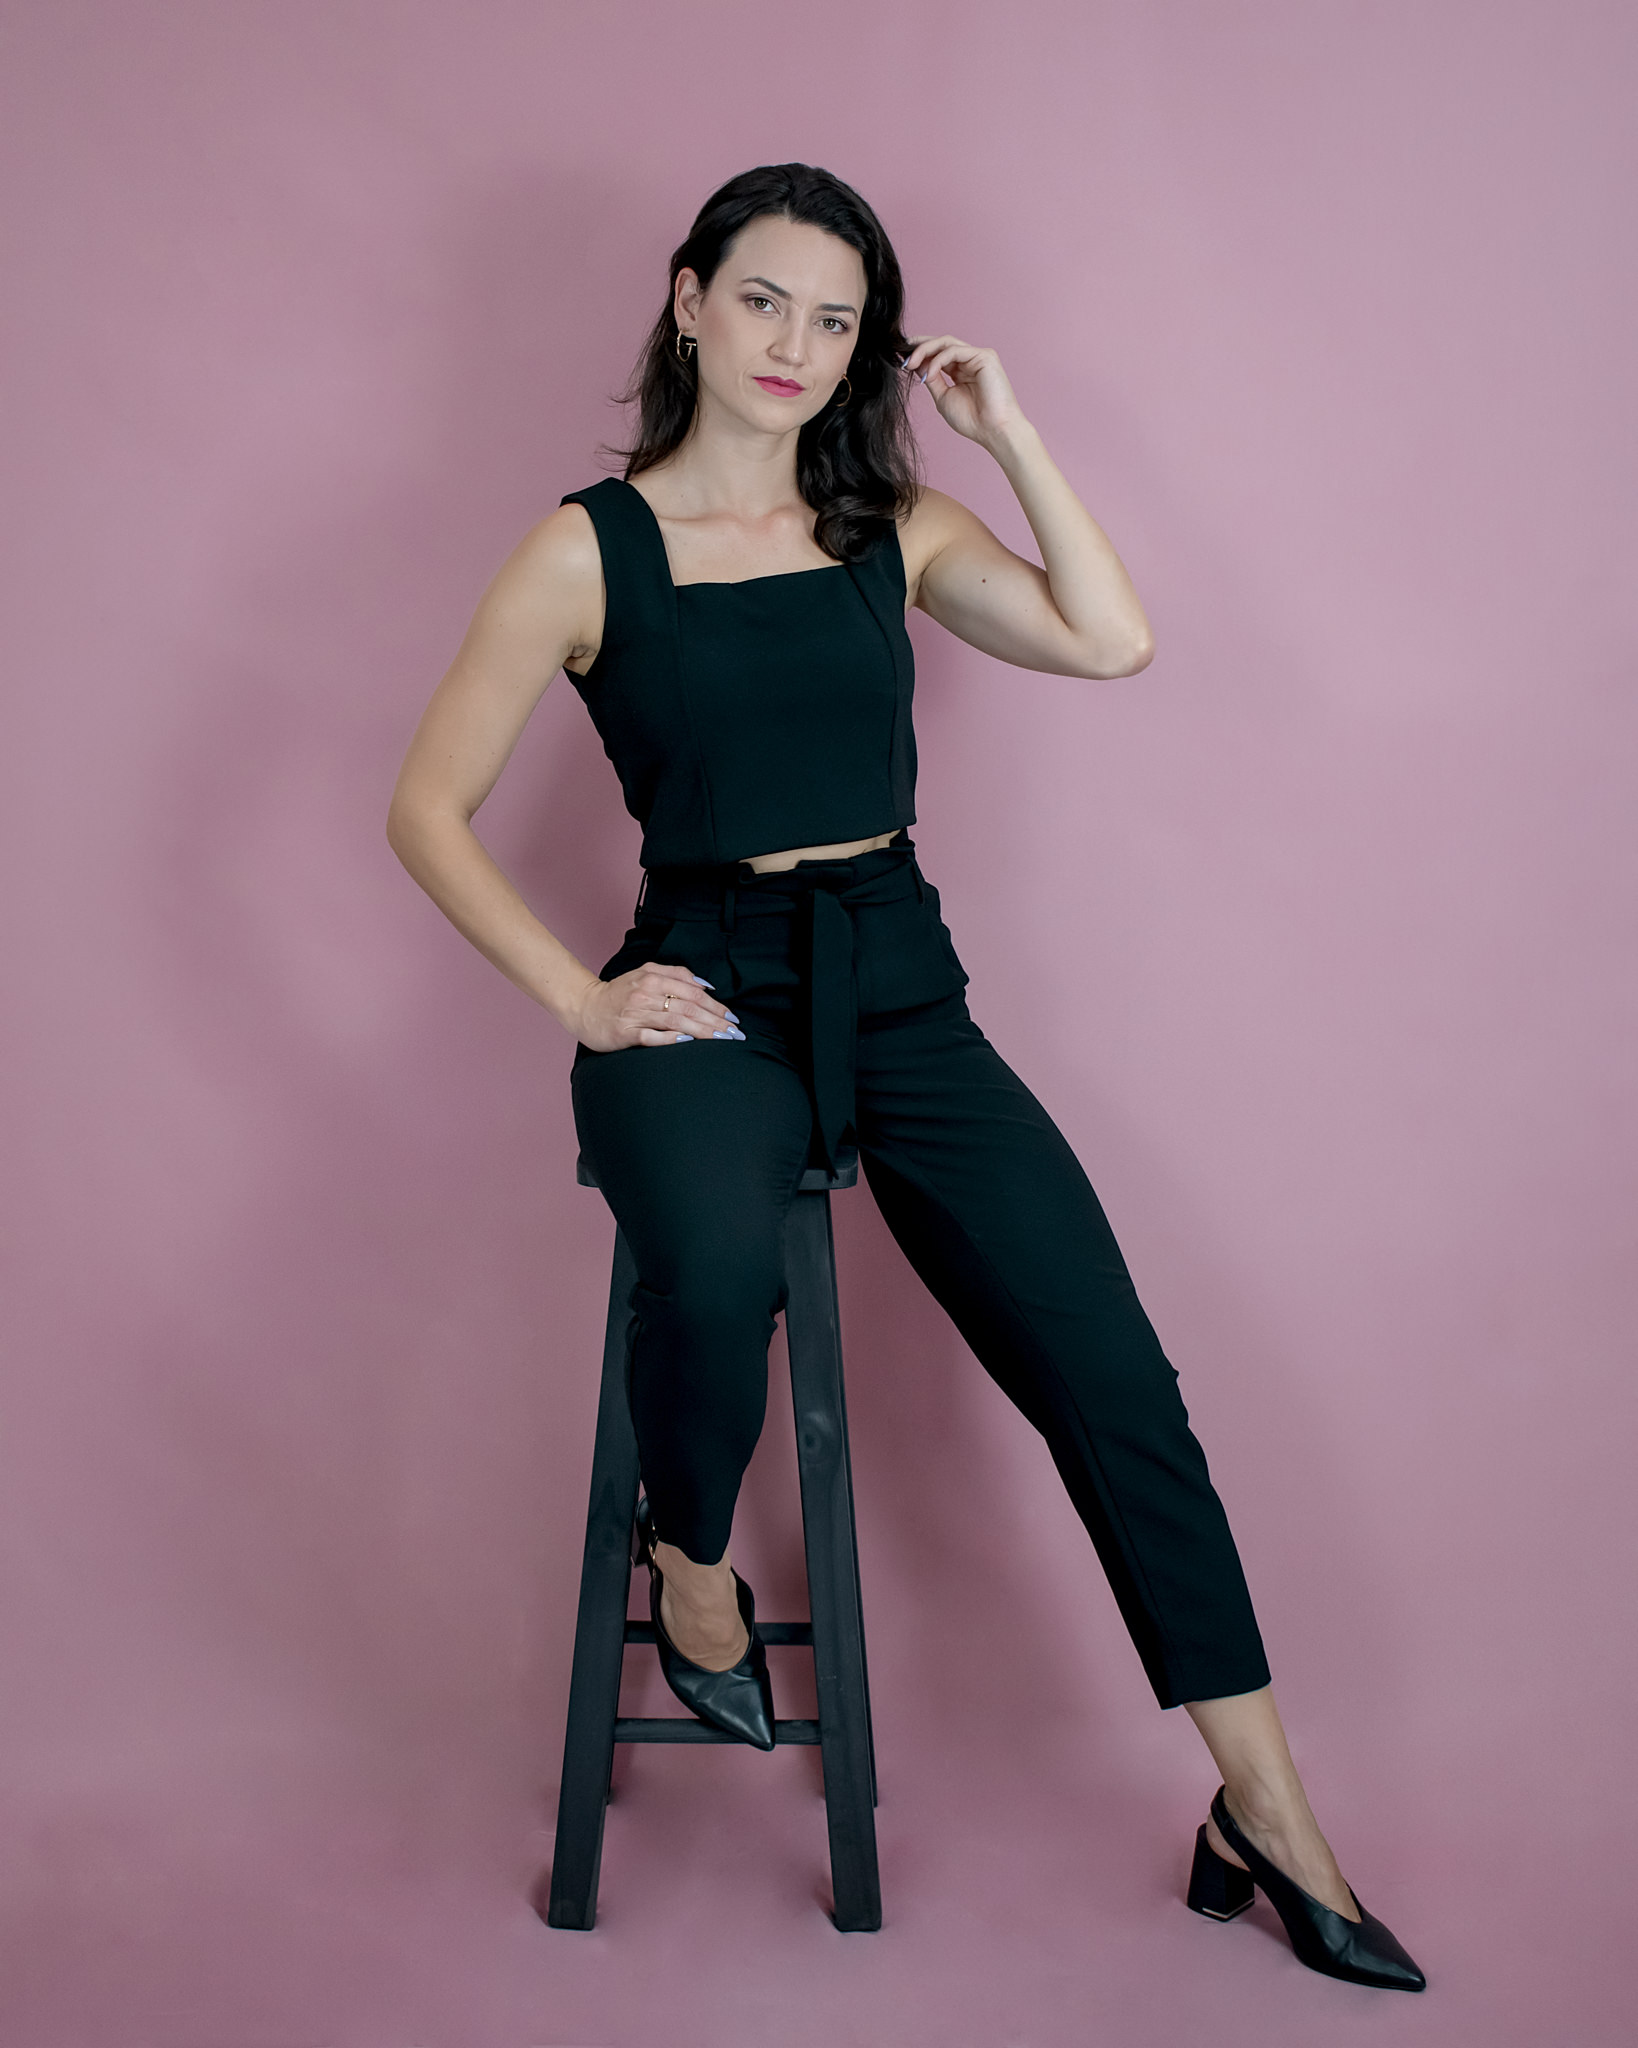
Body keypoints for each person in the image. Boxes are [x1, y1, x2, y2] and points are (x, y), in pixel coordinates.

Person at [386, 162, 1424, 1993]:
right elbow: (425, 807)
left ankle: (1264, 1811)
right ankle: (689, 1569)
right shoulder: (585, 549)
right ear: (689, 297)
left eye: (836, 318)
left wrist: (1008, 437)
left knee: (1114, 1377)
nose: (795, 343)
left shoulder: (892, 526)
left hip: (898, 979)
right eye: (763, 298)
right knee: (717, 1271)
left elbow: (1109, 638)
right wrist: (580, 996)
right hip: (700, 982)